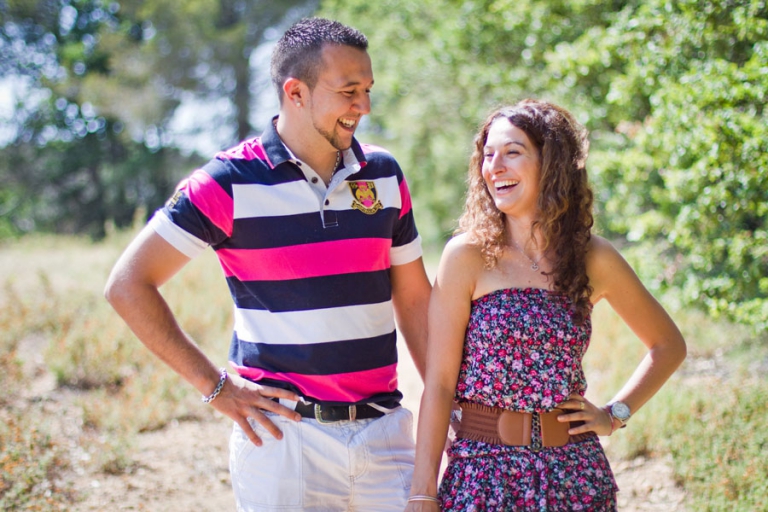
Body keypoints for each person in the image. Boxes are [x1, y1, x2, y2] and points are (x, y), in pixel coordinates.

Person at [104, 17, 431, 511]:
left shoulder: (383, 173)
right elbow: (128, 285)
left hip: (386, 436)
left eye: (366, 90)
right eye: (348, 92)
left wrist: (450, 407)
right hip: (282, 442)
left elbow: (415, 301)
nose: (363, 106)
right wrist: (214, 387)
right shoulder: (226, 181)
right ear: (295, 92)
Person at [405, 99, 687, 511]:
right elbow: (440, 385)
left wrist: (614, 414)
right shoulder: (466, 256)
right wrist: (422, 491)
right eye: (488, 155)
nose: (494, 166)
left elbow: (668, 345)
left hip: (575, 475)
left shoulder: (593, 257)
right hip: (484, 475)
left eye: (512, 152)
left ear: (551, 163)